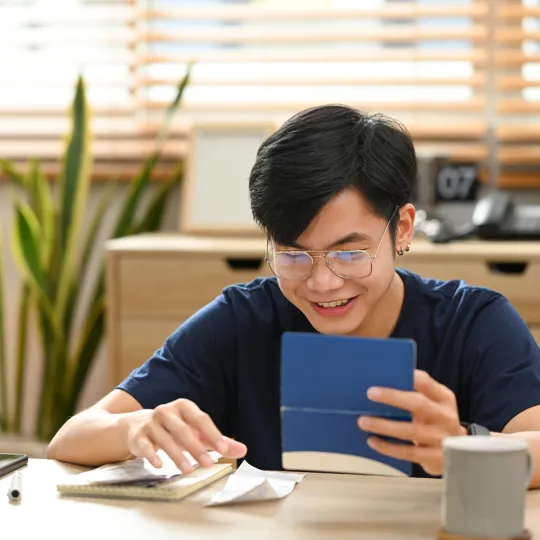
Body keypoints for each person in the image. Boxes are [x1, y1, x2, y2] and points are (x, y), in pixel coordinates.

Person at [47, 104, 540, 486]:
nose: (322, 283)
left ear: (402, 228)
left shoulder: (473, 321)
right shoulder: (243, 319)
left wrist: (464, 444)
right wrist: (135, 429)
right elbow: (70, 438)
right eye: (293, 254)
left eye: (349, 254)